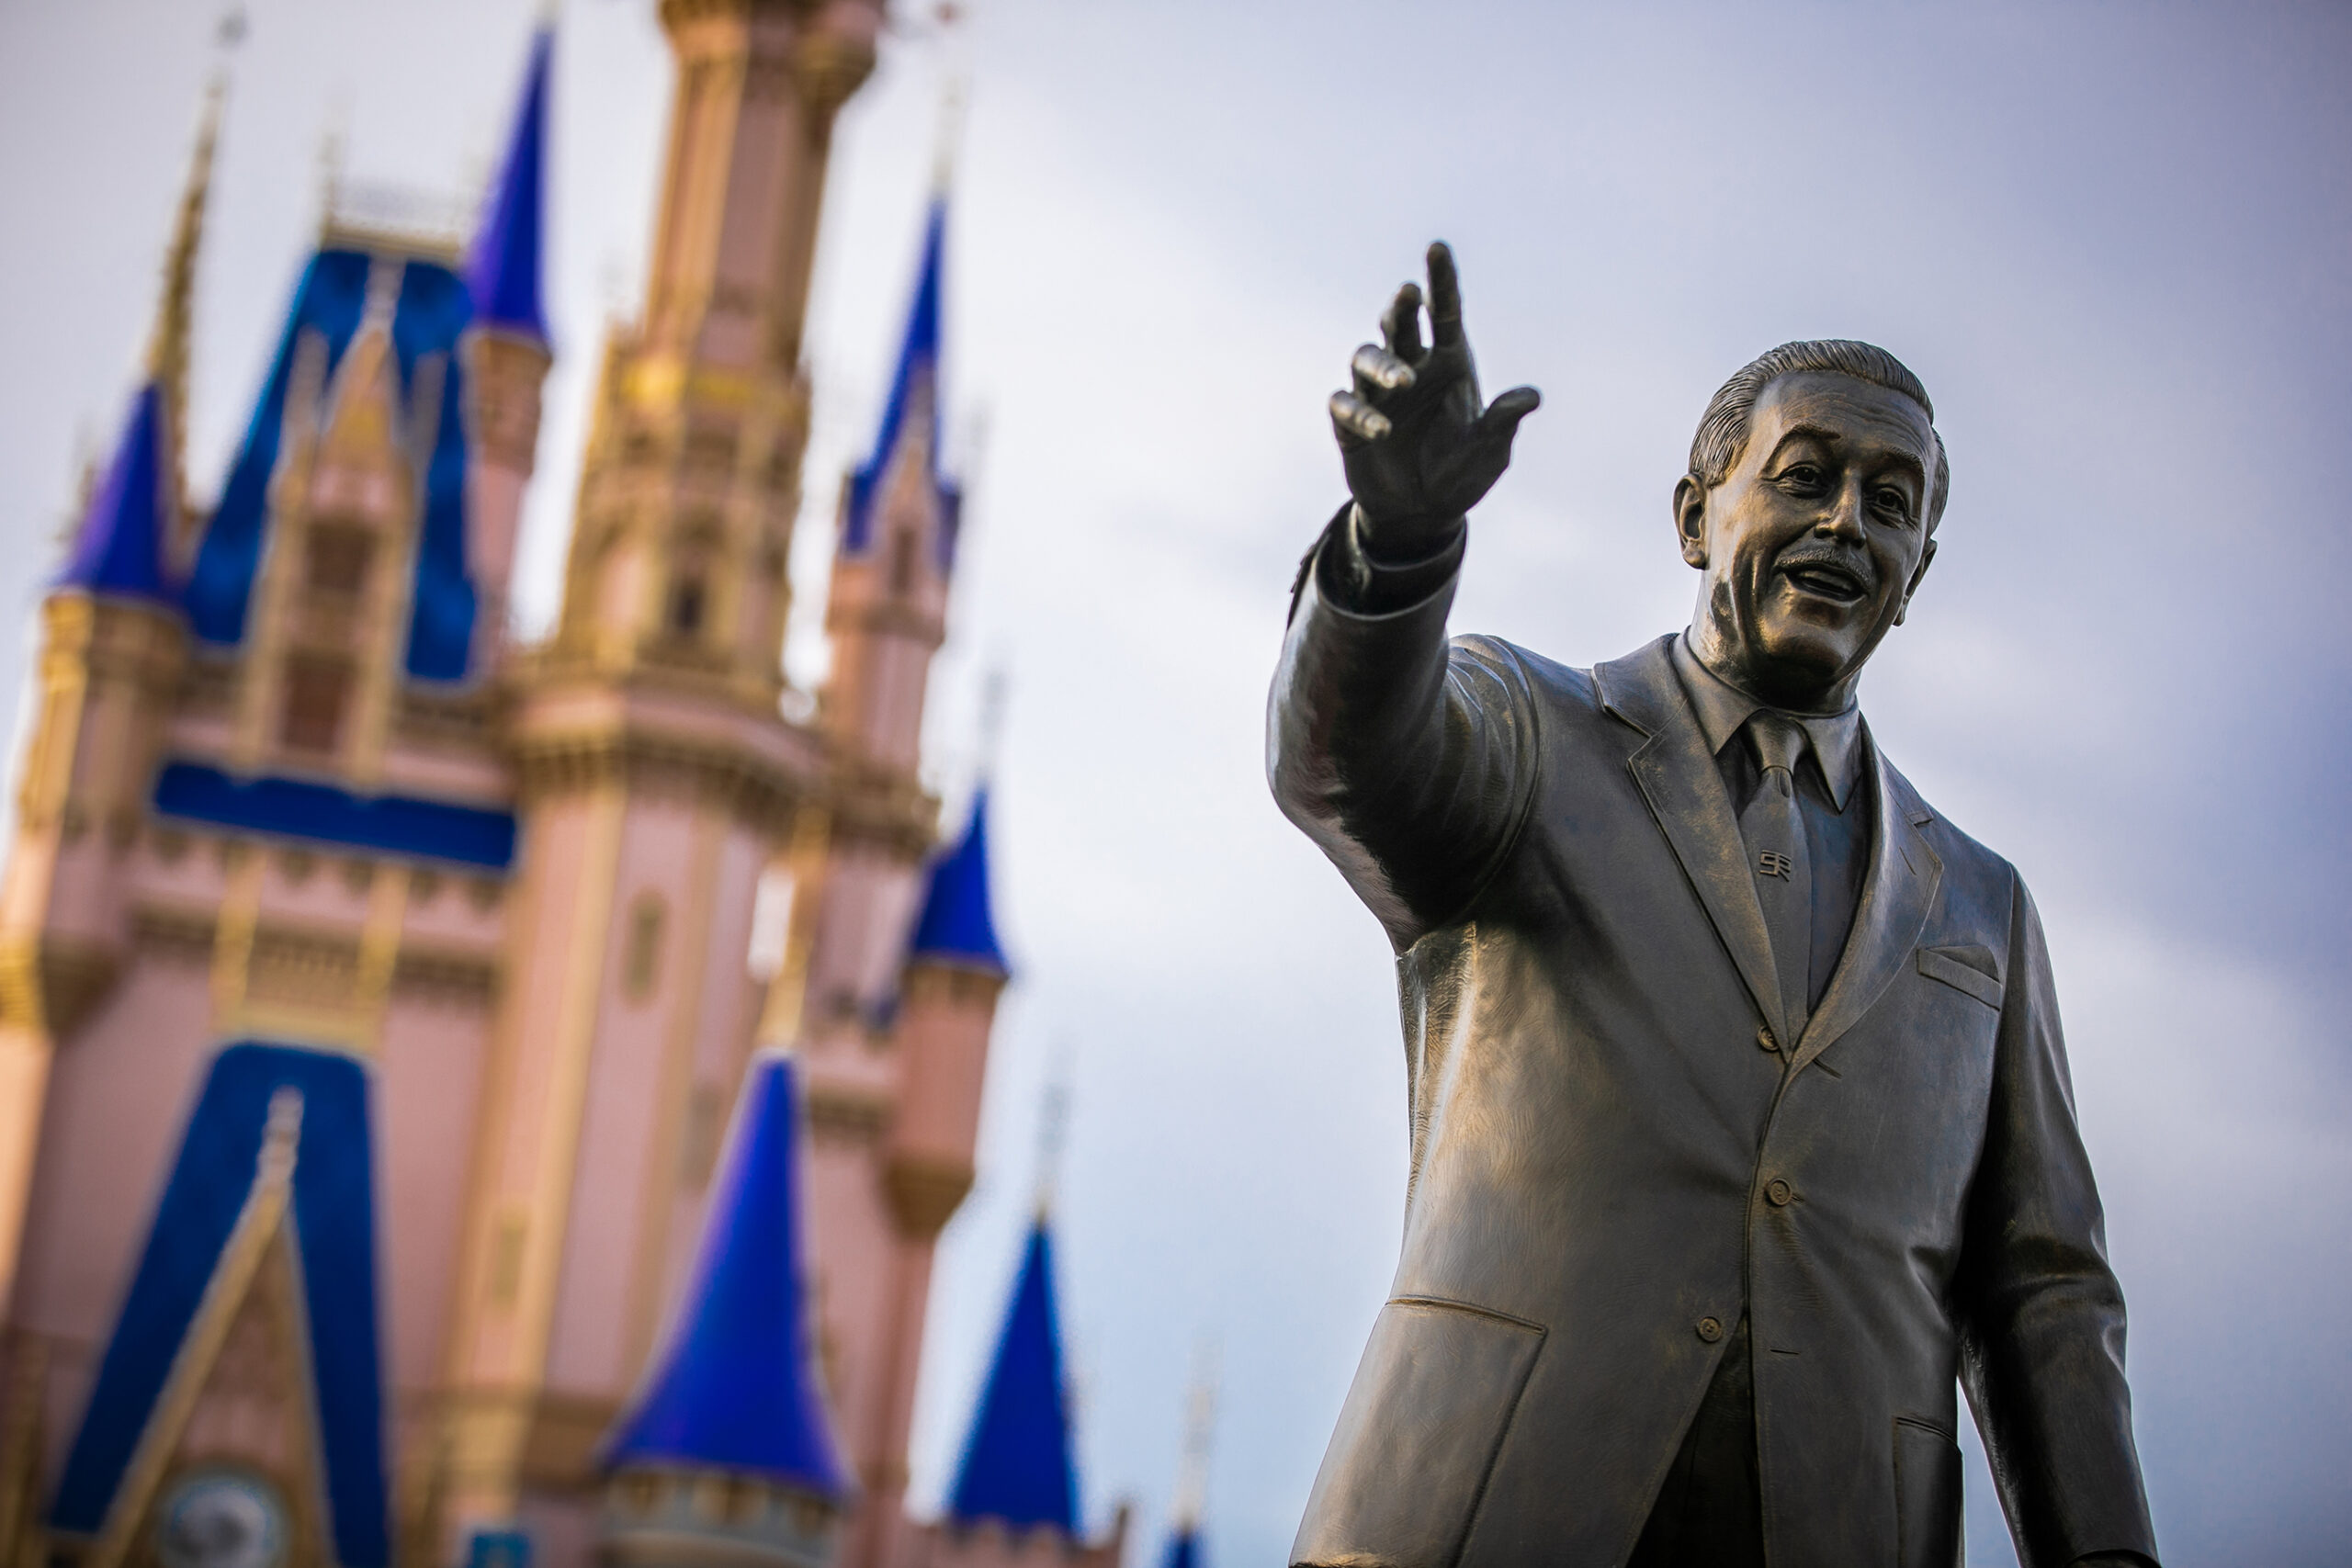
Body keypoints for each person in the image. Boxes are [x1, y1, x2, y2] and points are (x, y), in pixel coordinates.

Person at [1268, 243, 2158, 1568]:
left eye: (1891, 502)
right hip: (1484, 1514)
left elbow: (2043, 1291)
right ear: (1696, 517)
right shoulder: (1529, 734)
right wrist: (1399, 544)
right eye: (1805, 479)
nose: (1848, 522)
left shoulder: (1983, 906)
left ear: (1918, 568)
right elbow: (1344, 762)